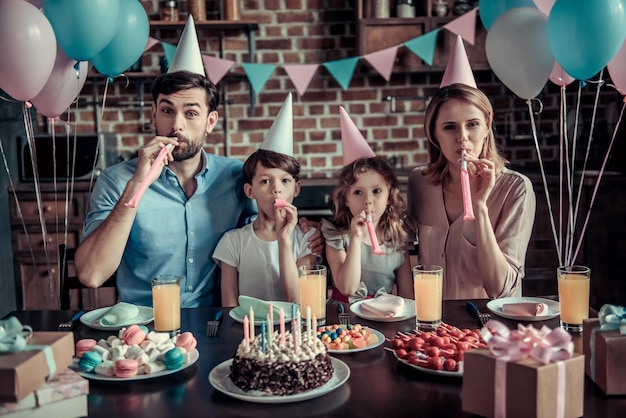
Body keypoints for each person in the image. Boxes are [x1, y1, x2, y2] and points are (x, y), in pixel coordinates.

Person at [74, 18, 321, 308]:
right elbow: (91, 275)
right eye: (167, 110)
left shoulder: (235, 176)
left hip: (217, 322)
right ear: (153, 114)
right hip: (145, 326)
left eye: (190, 113)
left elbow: (266, 227)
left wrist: (307, 232)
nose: (176, 125)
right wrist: (137, 188)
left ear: (210, 121)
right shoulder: (117, 181)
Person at [407, 82, 536, 300]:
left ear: (487, 126)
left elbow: (500, 289)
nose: (462, 137)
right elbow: (401, 249)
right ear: (434, 134)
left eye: (472, 124)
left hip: (491, 325)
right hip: (433, 325)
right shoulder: (419, 182)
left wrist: (479, 207)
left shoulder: (516, 188)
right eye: (449, 127)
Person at [213, 94, 318, 306]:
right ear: (250, 191)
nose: (277, 189)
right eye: (265, 181)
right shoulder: (232, 243)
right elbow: (229, 308)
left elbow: (296, 302)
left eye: (285, 181)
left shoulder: (308, 239)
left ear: (296, 189)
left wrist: (284, 238)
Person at [322, 107, 413, 303]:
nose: (368, 200)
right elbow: (347, 287)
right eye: (357, 192)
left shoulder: (397, 238)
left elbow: (407, 296)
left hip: (383, 317)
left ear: (389, 195)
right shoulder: (335, 234)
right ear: (345, 198)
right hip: (343, 318)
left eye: (376, 191)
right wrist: (355, 237)